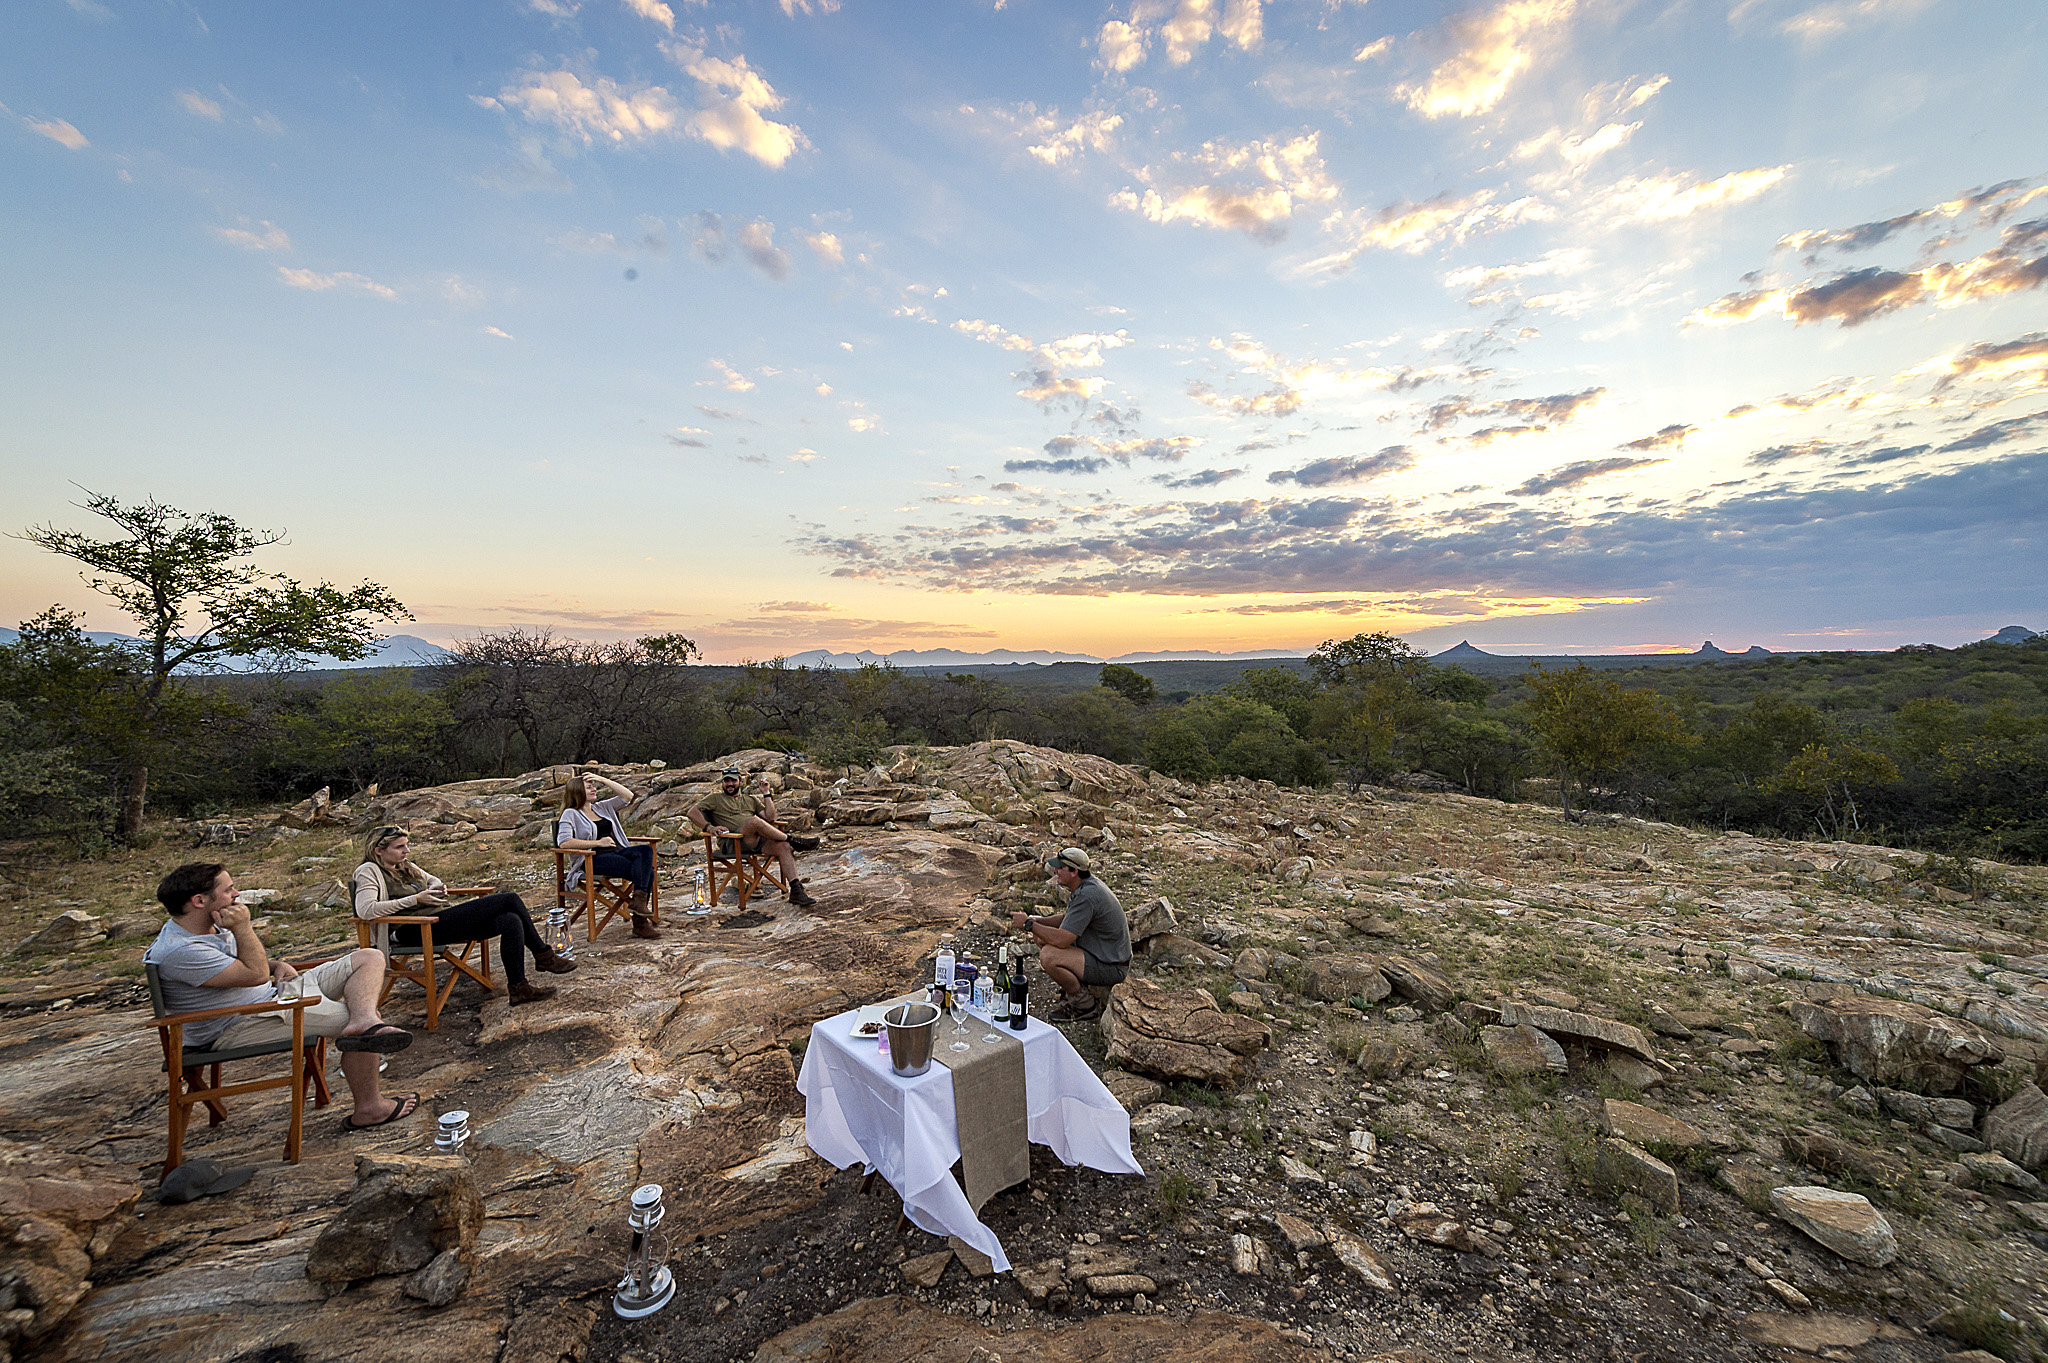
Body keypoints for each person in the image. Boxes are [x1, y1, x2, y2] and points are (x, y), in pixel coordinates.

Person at [144, 861, 419, 1132]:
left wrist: (276, 966)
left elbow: (242, 968)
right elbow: (254, 974)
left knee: (369, 957)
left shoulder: (204, 927)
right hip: (237, 1024)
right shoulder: (181, 950)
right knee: (364, 1030)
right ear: (199, 901)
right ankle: (369, 1108)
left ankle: (364, 1018)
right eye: (229, 890)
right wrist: (243, 929)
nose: (237, 895)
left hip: (271, 997)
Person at [353, 825, 575, 1006]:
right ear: (379, 850)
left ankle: (519, 989)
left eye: (406, 845)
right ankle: (543, 956)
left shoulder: (405, 866)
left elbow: (433, 880)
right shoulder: (368, 871)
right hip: (411, 930)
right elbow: (366, 910)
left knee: (510, 920)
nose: (406, 851)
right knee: (509, 899)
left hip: (437, 921)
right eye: (399, 847)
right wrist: (416, 899)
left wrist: (437, 888)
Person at [1009, 847, 1130, 1021]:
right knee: (1041, 936)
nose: (1055, 870)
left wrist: (1029, 925)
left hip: (1112, 966)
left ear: (1074, 871)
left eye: (1060, 867)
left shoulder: (1087, 896)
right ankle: (1073, 985)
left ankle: (1083, 1005)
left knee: (1049, 955)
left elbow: (1062, 939)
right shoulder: (1085, 886)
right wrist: (1036, 921)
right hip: (1102, 953)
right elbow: (1067, 918)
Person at [689, 765, 820, 910]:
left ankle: (796, 890)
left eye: (733, 781)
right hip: (733, 842)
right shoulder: (715, 798)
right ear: (722, 783)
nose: (730, 784)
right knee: (754, 821)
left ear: (740, 781)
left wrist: (766, 793)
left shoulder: (750, 799)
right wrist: (709, 828)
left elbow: (770, 817)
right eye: (726, 781)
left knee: (783, 846)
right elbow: (691, 812)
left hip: (753, 840)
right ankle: (794, 840)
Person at [557, 770, 661, 939]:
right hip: (592, 859)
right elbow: (564, 842)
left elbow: (628, 796)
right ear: (577, 792)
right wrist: (598, 843)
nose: (594, 790)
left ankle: (638, 905)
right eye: (589, 787)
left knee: (645, 850)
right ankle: (640, 922)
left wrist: (602, 779)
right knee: (647, 872)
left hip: (616, 852)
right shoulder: (571, 813)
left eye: (594, 786)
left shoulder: (602, 807)